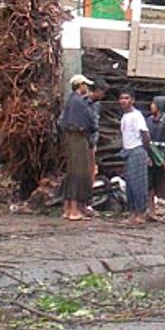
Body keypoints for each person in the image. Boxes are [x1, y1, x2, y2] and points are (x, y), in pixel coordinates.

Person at [59, 74, 97, 221]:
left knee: (72, 172)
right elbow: (90, 122)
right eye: (85, 85)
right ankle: (74, 210)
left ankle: (68, 208)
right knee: (79, 172)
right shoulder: (78, 102)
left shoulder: (70, 101)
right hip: (78, 138)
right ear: (80, 85)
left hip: (72, 138)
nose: (86, 88)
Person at [119, 91, 151, 226]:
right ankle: (133, 212)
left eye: (127, 98)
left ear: (132, 100)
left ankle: (141, 213)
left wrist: (146, 151)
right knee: (130, 185)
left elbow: (145, 134)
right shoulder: (125, 117)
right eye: (121, 98)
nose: (123, 101)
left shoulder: (137, 116)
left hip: (137, 150)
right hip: (128, 151)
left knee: (139, 184)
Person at [146, 95, 165, 223]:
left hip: (163, 155)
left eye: (154, 104)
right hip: (152, 154)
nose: (151, 106)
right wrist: (147, 155)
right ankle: (151, 211)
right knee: (151, 185)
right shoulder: (149, 120)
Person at [84, 80, 109, 217]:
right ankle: (83, 203)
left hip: (93, 142)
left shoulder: (96, 105)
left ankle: (88, 202)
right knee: (85, 172)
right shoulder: (84, 103)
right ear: (97, 90)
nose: (103, 96)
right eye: (103, 93)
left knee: (92, 171)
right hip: (84, 142)